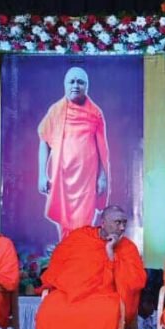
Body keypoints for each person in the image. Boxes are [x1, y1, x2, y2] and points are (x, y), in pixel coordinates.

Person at [35, 205, 146, 329]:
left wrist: (111, 253)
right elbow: (59, 265)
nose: (122, 228)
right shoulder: (79, 237)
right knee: (49, 311)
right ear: (103, 223)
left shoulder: (127, 247)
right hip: (70, 292)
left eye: (125, 223)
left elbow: (134, 281)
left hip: (105, 295)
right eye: (118, 222)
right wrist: (70, 287)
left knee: (100, 314)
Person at [38, 66, 112, 239]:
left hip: (86, 179)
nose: (75, 85)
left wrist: (102, 176)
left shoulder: (95, 112)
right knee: (64, 221)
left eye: (80, 82)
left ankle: (81, 256)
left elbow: (102, 148)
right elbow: (44, 140)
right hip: (62, 177)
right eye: (71, 81)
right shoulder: (55, 110)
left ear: (87, 86)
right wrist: (42, 174)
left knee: (83, 223)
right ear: (64, 85)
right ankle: (66, 255)